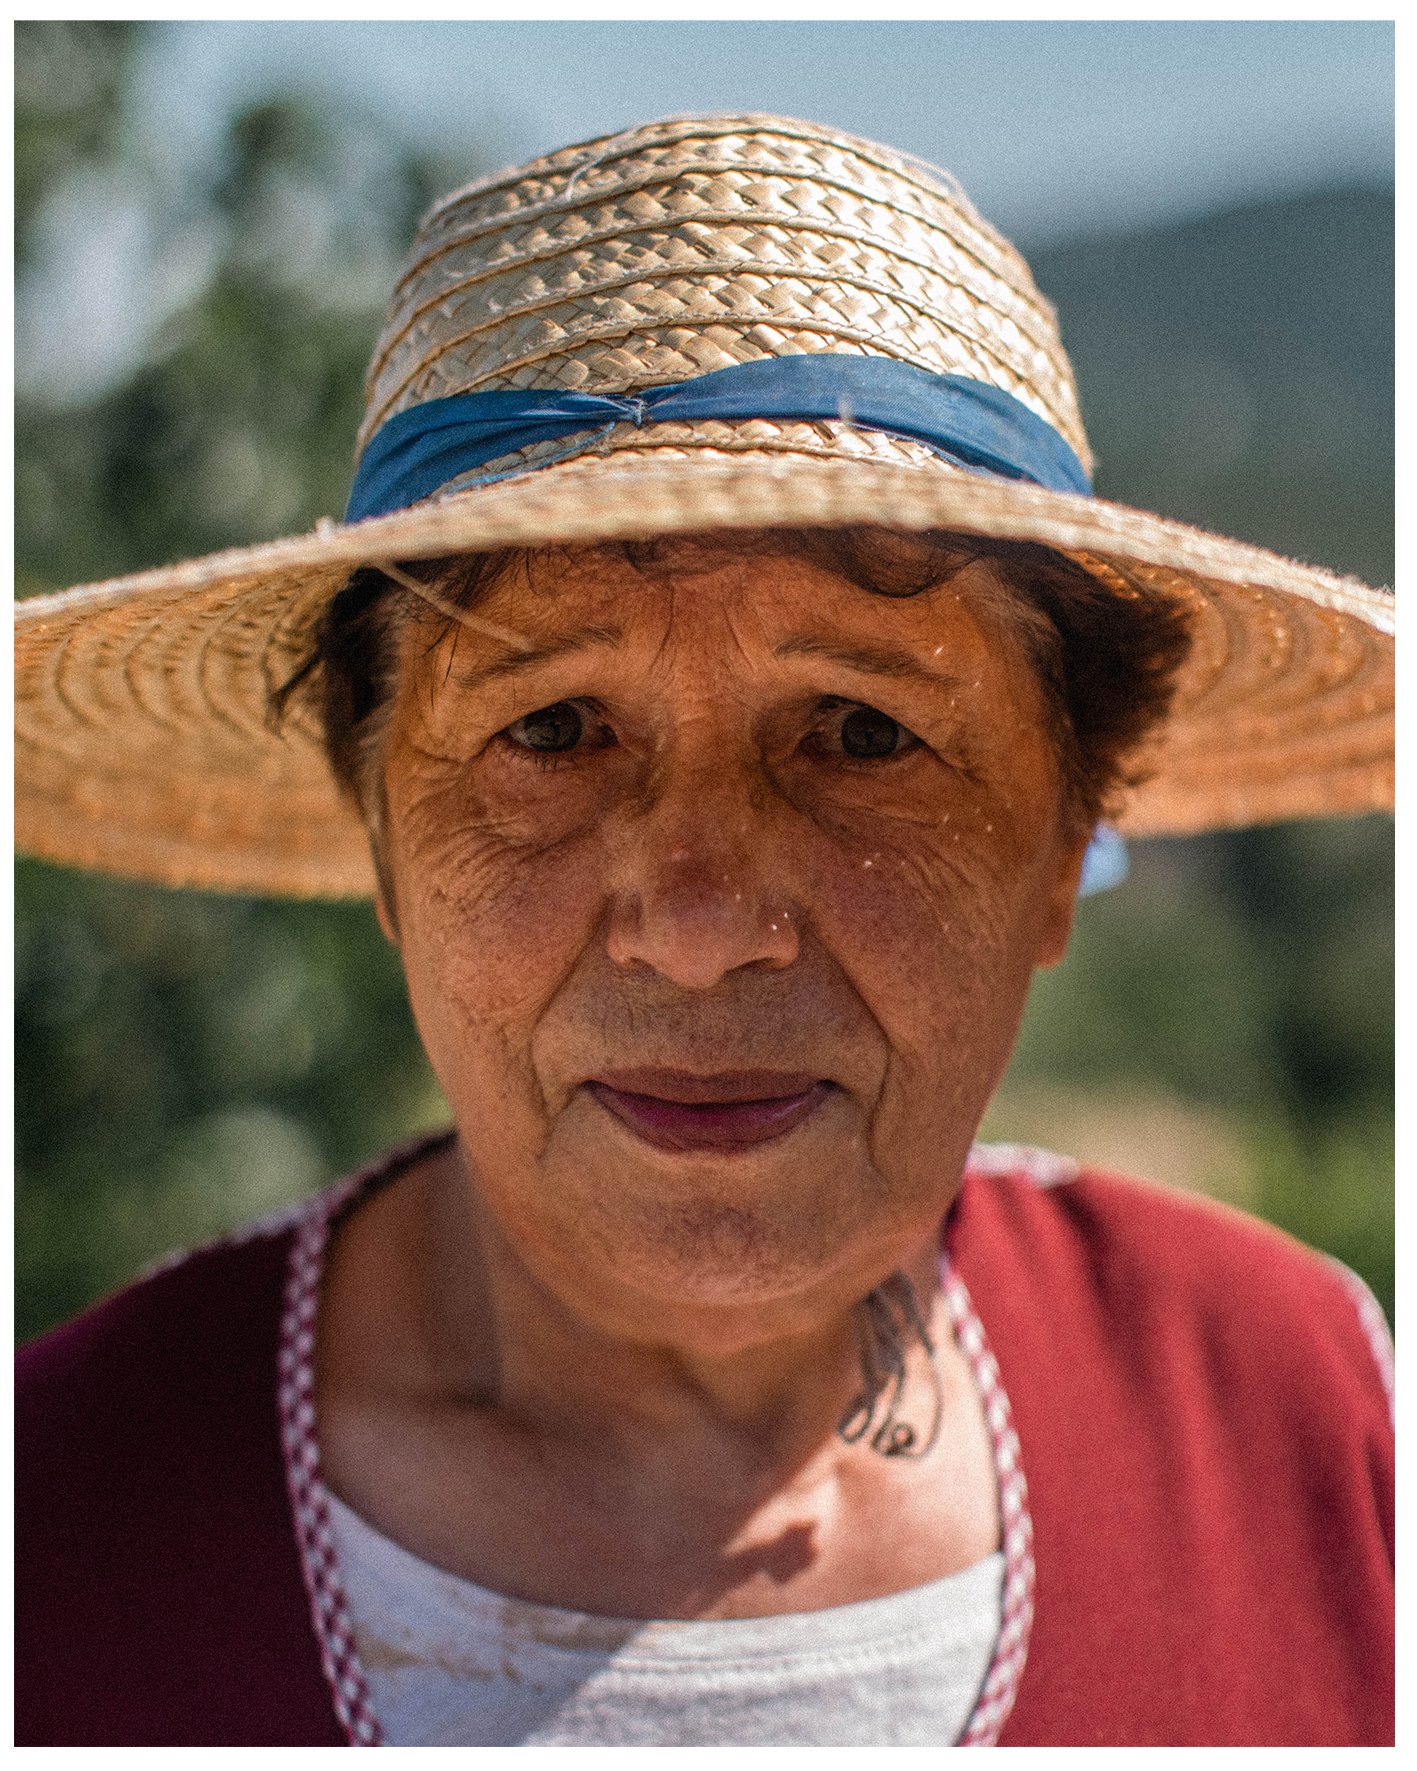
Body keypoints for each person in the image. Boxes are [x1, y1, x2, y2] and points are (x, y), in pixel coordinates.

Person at [14, 113, 1393, 1747]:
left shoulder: (1311, 1418)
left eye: (863, 733)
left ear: (1064, 837)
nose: (697, 925)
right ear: (379, 826)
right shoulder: (60, 1522)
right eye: (550, 730)